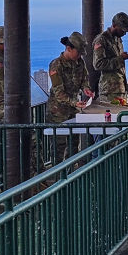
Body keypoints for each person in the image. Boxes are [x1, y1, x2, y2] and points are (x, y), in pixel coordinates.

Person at [47, 32, 93, 160]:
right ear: (68, 49)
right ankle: (58, 176)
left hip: (73, 111)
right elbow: (58, 93)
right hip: (58, 113)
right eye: (78, 52)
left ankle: (72, 173)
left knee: (73, 145)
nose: (79, 56)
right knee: (58, 148)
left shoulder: (79, 62)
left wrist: (86, 89)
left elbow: (84, 79)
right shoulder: (56, 65)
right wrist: (75, 102)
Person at [93, 11, 128, 106]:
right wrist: (121, 59)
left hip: (120, 88)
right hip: (109, 91)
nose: (124, 33)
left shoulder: (117, 38)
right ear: (114, 25)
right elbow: (98, 64)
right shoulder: (101, 40)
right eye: (122, 30)